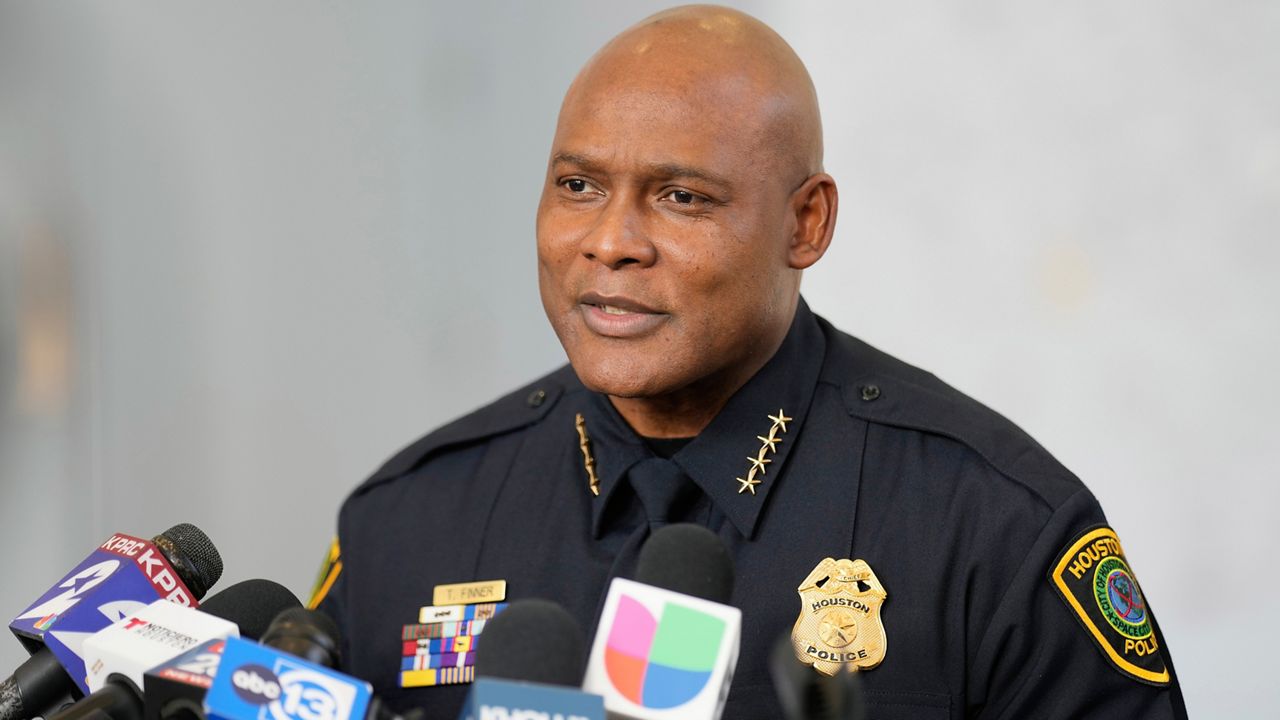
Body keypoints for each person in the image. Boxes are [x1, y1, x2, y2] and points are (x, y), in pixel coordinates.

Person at [311, 5, 1188, 718]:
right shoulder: (409, 519)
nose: (610, 243)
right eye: (578, 186)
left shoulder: (990, 530)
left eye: (681, 197)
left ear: (805, 224)